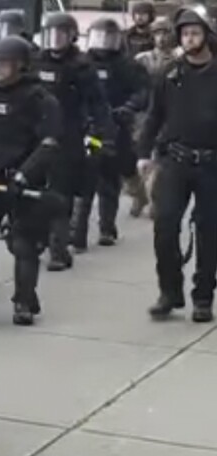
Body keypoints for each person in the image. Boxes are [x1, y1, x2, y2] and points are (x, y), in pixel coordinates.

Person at [0, 36, 61, 326]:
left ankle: (23, 300)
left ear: (21, 65)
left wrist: (25, 175)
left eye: (4, 63)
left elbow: (49, 143)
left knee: (23, 244)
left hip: (22, 184)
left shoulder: (40, 99)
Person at [139, 8, 217, 323]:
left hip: (212, 164)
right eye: (184, 33)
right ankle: (170, 292)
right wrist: (143, 153)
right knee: (164, 226)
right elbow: (153, 115)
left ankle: (203, 297)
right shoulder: (169, 74)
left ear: (207, 35)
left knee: (209, 233)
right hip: (175, 159)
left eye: (195, 32)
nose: (189, 38)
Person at [33, 12, 115, 268]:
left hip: (70, 136)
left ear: (71, 37)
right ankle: (39, 238)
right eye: (51, 34)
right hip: (35, 135)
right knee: (34, 191)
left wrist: (101, 136)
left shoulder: (82, 66)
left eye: (60, 34)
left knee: (62, 193)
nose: (55, 40)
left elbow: (98, 104)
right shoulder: (36, 62)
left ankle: (59, 249)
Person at [73, 18, 150, 248]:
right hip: (90, 129)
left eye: (108, 37)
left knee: (111, 176)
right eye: (99, 36)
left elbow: (142, 91)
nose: (103, 43)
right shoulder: (82, 64)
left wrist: (128, 107)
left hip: (116, 128)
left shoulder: (127, 66)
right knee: (87, 177)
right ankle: (77, 232)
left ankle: (107, 227)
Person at [133, 16, 179, 219]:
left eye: (165, 32)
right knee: (136, 159)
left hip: (168, 113)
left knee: (158, 162)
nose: (161, 38)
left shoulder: (179, 59)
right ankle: (139, 194)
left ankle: (154, 200)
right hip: (143, 113)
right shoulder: (142, 59)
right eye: (157, 33)